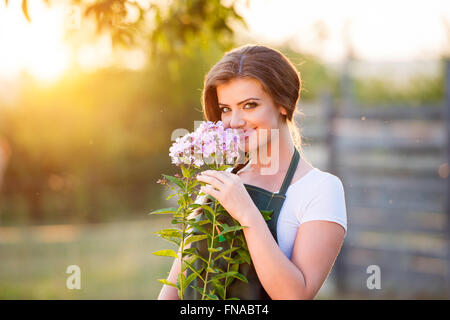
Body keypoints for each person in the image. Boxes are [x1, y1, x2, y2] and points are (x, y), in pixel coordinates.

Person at [158, 44, 347, 300]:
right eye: (226, 109)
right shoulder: (220, 180)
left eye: (249, 105)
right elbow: (174, 289)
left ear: (283, 102)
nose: (234, 121)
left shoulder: (320, 189)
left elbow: (295, 296)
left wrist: (246, 212)